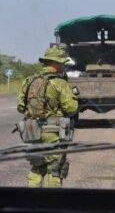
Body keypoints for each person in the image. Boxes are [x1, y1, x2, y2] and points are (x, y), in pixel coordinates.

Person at [17, 47, 78, 187]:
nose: (64, 66)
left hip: (31, 129)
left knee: (37, 167)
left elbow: (20, 107)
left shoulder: (29, 80)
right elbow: (71, 108)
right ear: (56, 63)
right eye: (62, 63)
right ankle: (51, 202)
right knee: (54, 169)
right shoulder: (60, 83)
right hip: (53, 131)